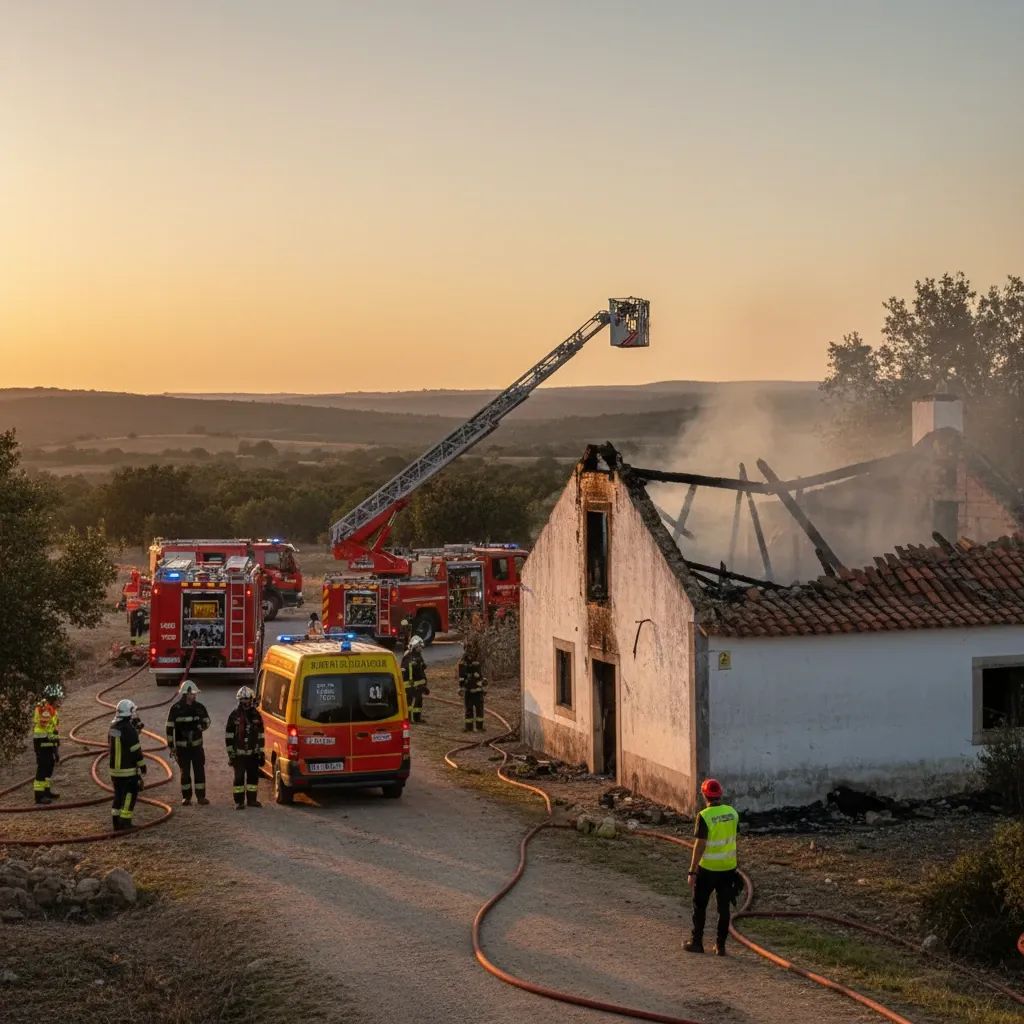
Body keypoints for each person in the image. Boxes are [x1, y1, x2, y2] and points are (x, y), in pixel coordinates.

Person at [685, 778, 740, 956]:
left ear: (704, 794)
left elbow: (699, 845)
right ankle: (720, 946)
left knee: (699, 906)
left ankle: (697, 943)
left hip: (707, 869)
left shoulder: (704, 816)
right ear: (720, 794)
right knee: (724, 908)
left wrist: (692, 871)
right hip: (728, 868)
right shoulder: (732, 813)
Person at [165, 679, 211, 806]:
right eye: (193, 694)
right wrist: (171, 746)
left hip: (197, 747)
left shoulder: (199, 708)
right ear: (186, 694)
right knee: (185, 773)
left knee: (199, 772)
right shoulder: (175, 709)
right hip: (182, 748)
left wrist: (199, 728)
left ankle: (201, 797)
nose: (195, 695)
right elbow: (169, 728)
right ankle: (187, 798)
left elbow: (207, 721)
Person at [108, 699, 146, 831]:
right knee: (130, 794)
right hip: (128, 770)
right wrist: (142, 766)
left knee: (118, 795)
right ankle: (126, 822)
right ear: (129, 713)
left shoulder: (113, 727)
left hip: (114, 771)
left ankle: (116, 823)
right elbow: (135, 750)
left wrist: (135, 731)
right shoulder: (129, 729)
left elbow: (120, 741)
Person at [225, 685, 265, 810]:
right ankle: (239, 802)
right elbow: (229, 736)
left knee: (253, 777)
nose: (245, 702)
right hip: (239, 755)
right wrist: (231, 754)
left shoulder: (256, 715)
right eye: (243, 700)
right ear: (239, 700)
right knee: (239, 778)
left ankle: (252, 800)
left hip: (253, 754)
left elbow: (261, 735)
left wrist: (261, 753)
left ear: (251, 700)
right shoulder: (234, 715)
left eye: (247, 700)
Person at [32, 684, 64, 804]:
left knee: (49, 766)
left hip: (48, 741)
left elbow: (53, 729)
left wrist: (56, 748)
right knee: (43, 767)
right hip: (42, 741)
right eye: (58, 699)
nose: (59, 701)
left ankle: (46, 791)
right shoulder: (45, 709)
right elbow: (46, 729)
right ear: (52, 698)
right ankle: (39, 796)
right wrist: (54, 744)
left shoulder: (51, 709)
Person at [457, 643, 487, 732]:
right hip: (469, 691)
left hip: (477, 691)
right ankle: (469, 727)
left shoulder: (476, 663)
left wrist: (483, 683)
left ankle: (479, 727)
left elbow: (480, 676)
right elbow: (462, 678)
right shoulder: (463, 664)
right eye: (467, 650)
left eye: (471, 650)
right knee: (469, 710)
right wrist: (462, 687)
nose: (469, 653)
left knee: (479, 710)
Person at [400, 636, 428, 724]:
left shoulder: (418, 656)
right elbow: (405, 669)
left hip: (418, 684)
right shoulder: (408, 656)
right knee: (409, 702)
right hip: (410, 684)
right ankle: (408, 719)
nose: (421, 648)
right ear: (415, 646)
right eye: (420, 647)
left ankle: (417, 718)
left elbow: (421, 668)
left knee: (419, 701)